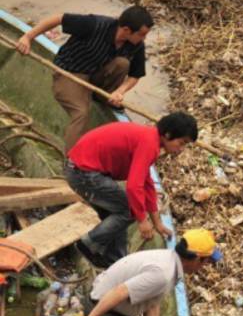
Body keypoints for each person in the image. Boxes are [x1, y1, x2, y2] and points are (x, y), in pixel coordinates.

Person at [65, 112, 198, 268]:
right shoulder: (149, 142)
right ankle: (88, 244)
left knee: (120, 212)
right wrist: (142, 220)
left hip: (83, 170)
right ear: (168, 134)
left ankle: (116, 261)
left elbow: (146, 183)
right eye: (182, 143)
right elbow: (134, 186)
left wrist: (157, 222)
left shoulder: (150, 138)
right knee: (128, 210)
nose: (181, 149)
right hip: (82, 172)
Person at [15, 5, 154, 150]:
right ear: (126, 30)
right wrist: (28, 37)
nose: (144, 38)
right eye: (141, 34)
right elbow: (58, 18)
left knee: (122, 63)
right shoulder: (94, 24)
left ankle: (104, 98)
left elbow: (135, 75)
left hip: (96, 73)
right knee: (81, 113)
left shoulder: (136, 45)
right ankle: (71, 161)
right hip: (70, 72)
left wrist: (120, 91)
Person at [82, 229, 222, 316]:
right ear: (197, 259)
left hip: (119, 314)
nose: (204, 267)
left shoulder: (168, 260)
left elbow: (152, 302)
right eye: (206, 262)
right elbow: (119, 292)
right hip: (104, 314)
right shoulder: (162, 274)